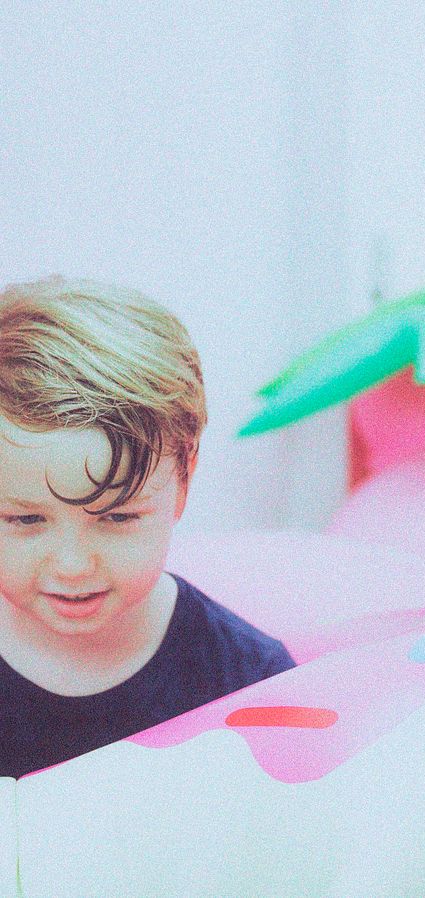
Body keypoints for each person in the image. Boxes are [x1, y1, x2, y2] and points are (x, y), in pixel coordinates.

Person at [0, 276, 295, 779]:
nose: (72, 566)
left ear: (184, 480)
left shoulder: (247, 679)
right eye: (26, 519)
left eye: (117, 517)